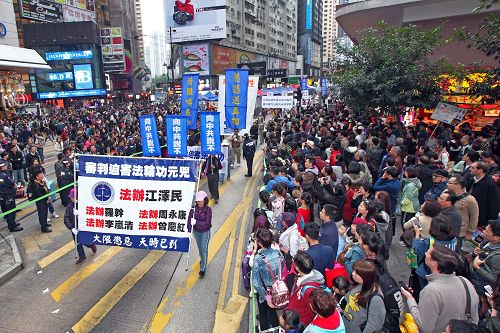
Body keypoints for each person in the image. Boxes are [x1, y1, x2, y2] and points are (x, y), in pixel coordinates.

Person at [401, 245, 479, 333]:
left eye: (428, 253)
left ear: (434, 263)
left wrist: (410, 299)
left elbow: (425, 327)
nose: (425, 253)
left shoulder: (431, 291)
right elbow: (475, 319)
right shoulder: (465, 282)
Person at [251, 228, 284, 331]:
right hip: (277, 289)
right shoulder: (278, 253)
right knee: (273, 312)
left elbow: (255, 282)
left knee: (263, 314)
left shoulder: (259, 258)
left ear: (260, 243)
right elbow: (282, 270)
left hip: (265, 291)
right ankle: (275, 329)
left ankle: (264, 329)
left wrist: (265, 295)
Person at [342, 260, 386, 333]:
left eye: (357, 273)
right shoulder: (358, 284)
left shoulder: (376, 298)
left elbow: (374, 326)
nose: (353, 273)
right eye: (354, 271)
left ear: (365, 276)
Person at [288, 250, 327, 327]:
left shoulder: (309, 290)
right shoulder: (305, 277)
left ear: (296, 268)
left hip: (301, 323)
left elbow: (312, 313)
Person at [64, 188, 96, 264]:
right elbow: (66, 218)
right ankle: (82, 256)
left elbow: (90, 215)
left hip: (83, 227)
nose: (71, 198)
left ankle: (91, 245)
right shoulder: (69, 207)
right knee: (77, 242)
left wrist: (80, 213)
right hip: (75, 228)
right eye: (71, 197)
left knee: (84, 240)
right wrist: (71, 228)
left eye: (72, 197)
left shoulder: (84, 205)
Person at [447, 175, 479, 253]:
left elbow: (474, 217)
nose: (447, 184)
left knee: (456, 252)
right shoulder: (447, 195)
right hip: (447, 229)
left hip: (460, 231)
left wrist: (469, 232)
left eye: (450, 183)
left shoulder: (469, 200)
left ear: (458, 185)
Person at [187, 191, 212, 277]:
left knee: (203, 249)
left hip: (205, 232)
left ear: (205, 200)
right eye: (198, 201)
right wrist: (189, 231)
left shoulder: (208, 210)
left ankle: (203, 268)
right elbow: (189, 221)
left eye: (201, 200)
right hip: (196, 232)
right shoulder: (193, 209)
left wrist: (196, 222)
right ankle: (203, 259)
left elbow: (207, 223)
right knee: (200, 248)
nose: (199, 202)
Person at [469, 162, 500, 228]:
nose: (470, 169)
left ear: (480, 171)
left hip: (481, 219)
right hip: (471, 214)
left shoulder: (490, 184)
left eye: (473, 168)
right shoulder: (472, 180)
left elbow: (493, 204)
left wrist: (490, 223)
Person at [470, 219, 500, 286]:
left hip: (480, 285)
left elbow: (495, 280)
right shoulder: (488, 241)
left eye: (487, 231)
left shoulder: (497, 257)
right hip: (473, 276)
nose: (483, 231)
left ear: (496, 238)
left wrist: (477, 266)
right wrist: (475, 253)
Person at [0, 161, 22, 232]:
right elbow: (11, 182)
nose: (6, 166)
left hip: (6, 194)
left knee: (10, 210)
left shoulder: (5, 173)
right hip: (7, 195)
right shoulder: (3, 175)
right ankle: (12, 226)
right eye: (4, 166)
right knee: (10, 211)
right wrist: (15, 185)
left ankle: (13, 222)